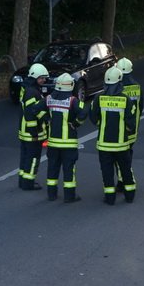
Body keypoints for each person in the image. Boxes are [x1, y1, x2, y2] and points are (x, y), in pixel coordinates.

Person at [90, 66, 137, 205]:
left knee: (107, 172)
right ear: (120, 82)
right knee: (125, 170)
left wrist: (102, 124)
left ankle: (110, 198)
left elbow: (93, 117)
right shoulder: (126, 100)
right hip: (121, 145)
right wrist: (125, 131)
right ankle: (129, 196)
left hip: (104, 145)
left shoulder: (99, 98)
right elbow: (131, 122)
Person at [45, 73, 87, 203]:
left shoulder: (49, 98)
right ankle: (69, 196)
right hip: (68, 144)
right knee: (69, 170)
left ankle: (51, 195)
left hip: (52, 143)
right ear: (70, 86)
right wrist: (75, 124)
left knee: (52, 168)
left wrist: (47, 120)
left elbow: (35, 109)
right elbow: (84, 112)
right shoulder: (73, 101)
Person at [17, 63, 49, 190]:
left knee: (25, 157)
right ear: (35, 77)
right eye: (41, 78)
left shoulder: (28, 88)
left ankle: (23, 180)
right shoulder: (32, 92)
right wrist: (35, 132)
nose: (44, 80)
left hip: (25, 132)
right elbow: (30, 113)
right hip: (32, 133)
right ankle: (29, 183)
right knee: (33, 158)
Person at [116, 57, 143, 193]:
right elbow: (141, 107)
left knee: (120, 158)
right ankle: (123, 181)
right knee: (127, 155)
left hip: (121, 131)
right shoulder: (137, 86)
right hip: (134, 129)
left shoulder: (118, 89)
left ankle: (125, 183)